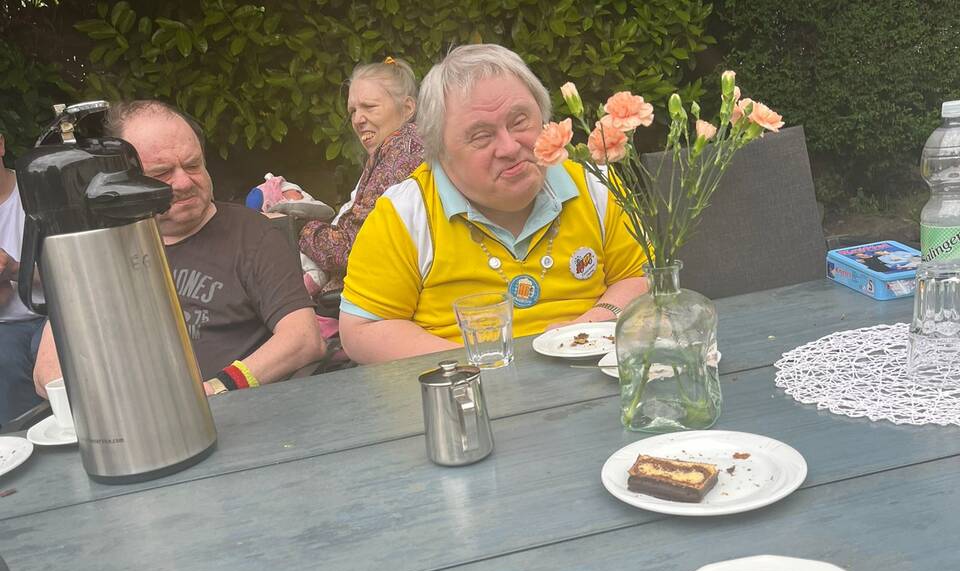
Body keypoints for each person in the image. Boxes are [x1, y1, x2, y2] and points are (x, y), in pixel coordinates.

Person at [339, 44, 649, 364]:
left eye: (519, 121)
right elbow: (362, 329)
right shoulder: (404, 213)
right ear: (438, 153)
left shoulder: (593, 184)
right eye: (481, 136)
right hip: (466, 395)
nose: (510, 146)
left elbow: (643, 278)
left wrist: (588, 327)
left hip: (589, 373)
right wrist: (483, 363)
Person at [34, 101, 326, 397]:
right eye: (162, 173)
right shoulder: (96, 247)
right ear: (122, 179)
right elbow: (48, 371)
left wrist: (217, 389)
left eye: (193, 165)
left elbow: (303, 339)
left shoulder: (252, 235)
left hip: (234, 413)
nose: (185, 182)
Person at [298, 57, 424, 296]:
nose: (357, 119)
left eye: (369, 107)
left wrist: (294, 227)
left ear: (407, 108)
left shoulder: (402, 151)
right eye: (353, 111)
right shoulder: (406, 147)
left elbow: (351, 248)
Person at [0, 131, 46, 424]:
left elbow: (72, 269)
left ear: (1, 143)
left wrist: (15, 268)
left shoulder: (38, 190)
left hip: (56, 312)